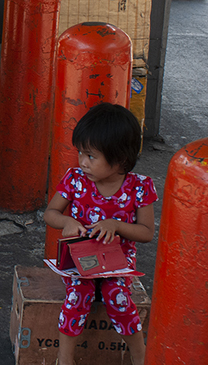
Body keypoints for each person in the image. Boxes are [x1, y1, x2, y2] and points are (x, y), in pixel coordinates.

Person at [43, 103, 157, 365]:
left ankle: (139, 354)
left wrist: (115, 225)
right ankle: (65, 359)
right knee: (77, 296)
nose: (82, 162)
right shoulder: (75, 180)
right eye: (81, 153)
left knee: (117, 298)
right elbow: (50, 213)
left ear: (120, 159)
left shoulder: (139, 187)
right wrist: (67, 221)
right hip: (78, 264)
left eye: (91, 156)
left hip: (117, 266)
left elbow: (147, 232)